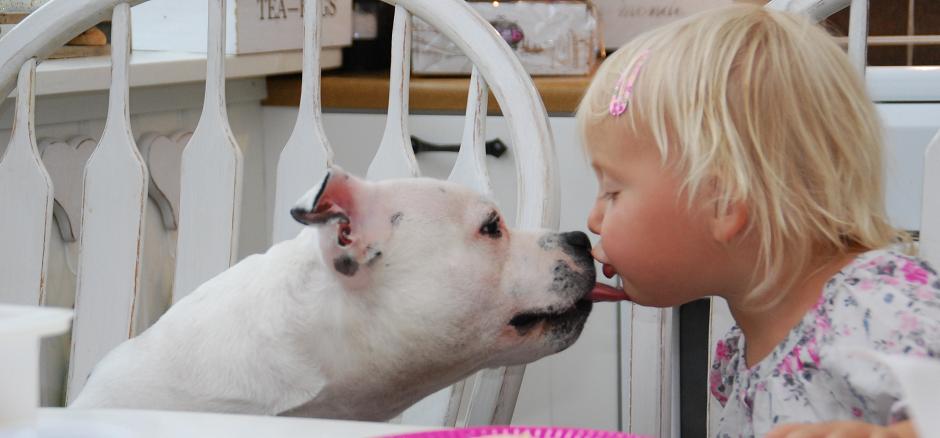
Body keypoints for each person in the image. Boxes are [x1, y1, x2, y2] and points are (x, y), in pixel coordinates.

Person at [576, 4, 939, 437]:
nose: (594, 220)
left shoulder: (876, 304)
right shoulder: (741, 349)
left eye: (612, 192)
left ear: (723, 202)